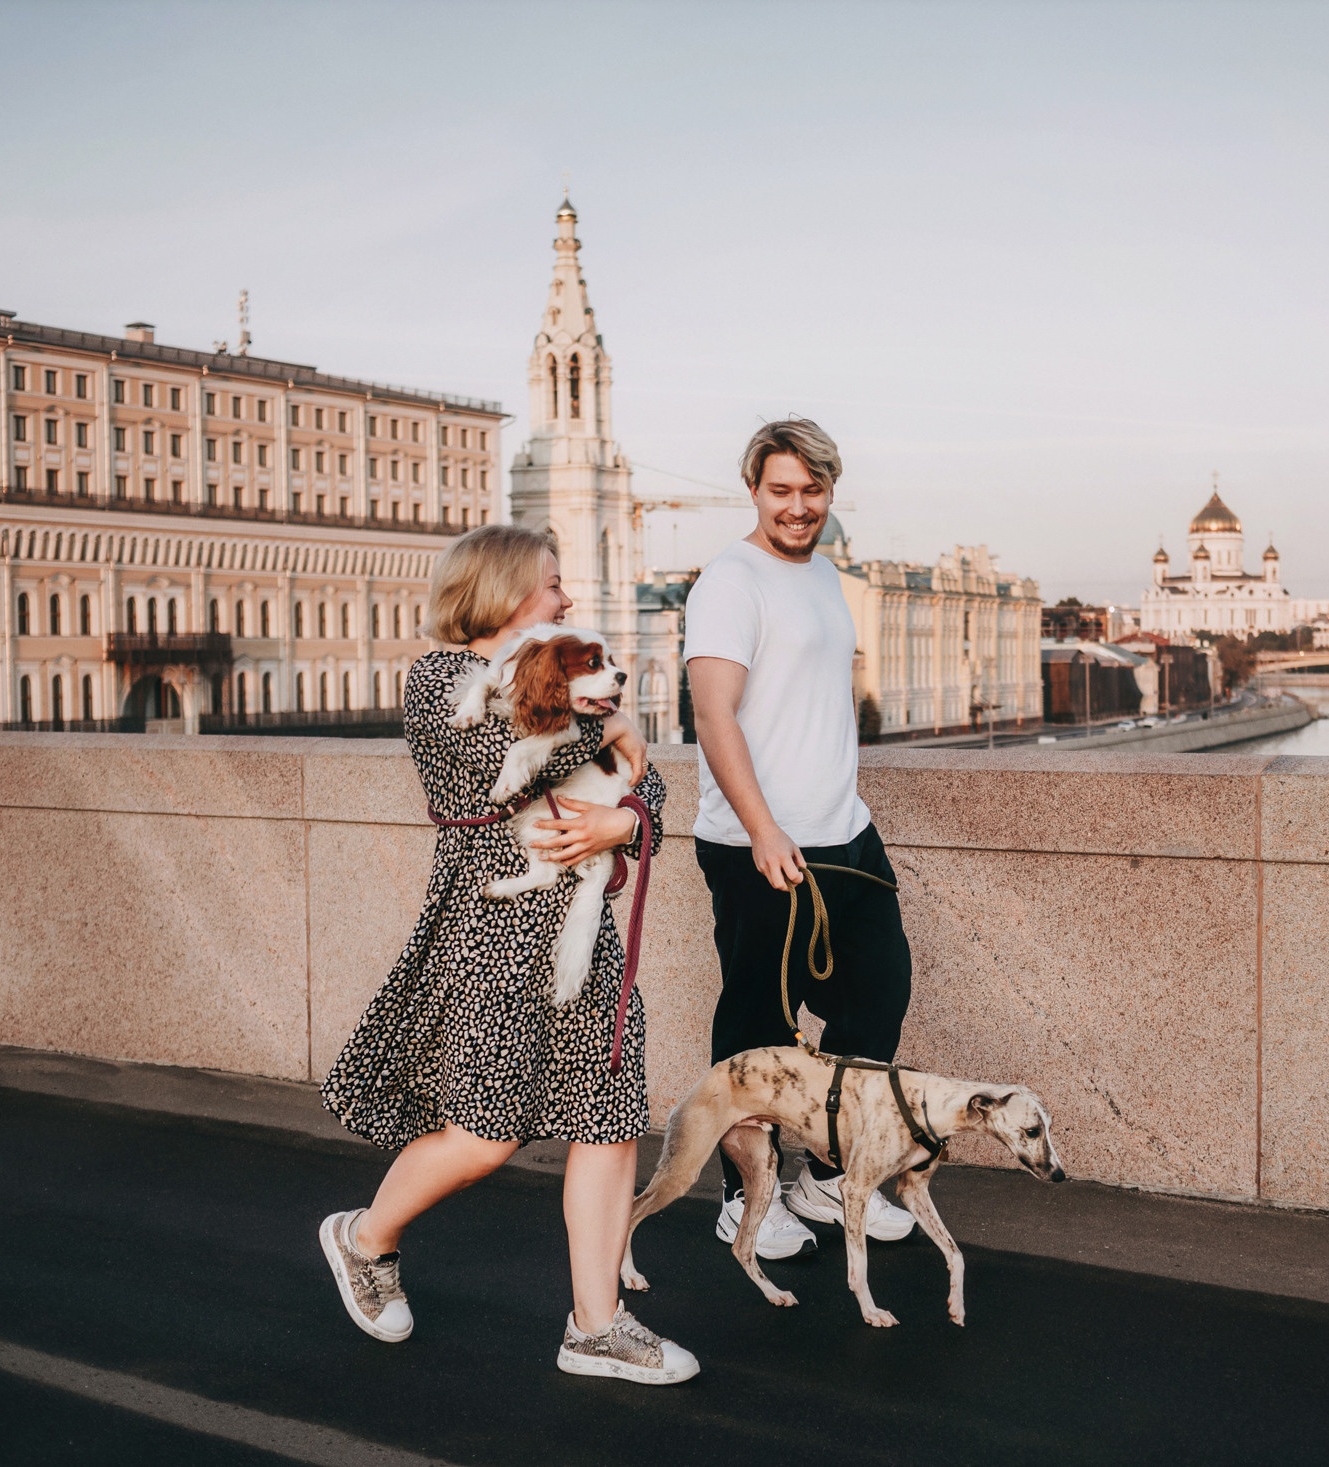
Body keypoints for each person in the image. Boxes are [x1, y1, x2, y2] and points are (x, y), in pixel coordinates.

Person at [317, 523, 696, 1386]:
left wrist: (625, 817)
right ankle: (364, 1237)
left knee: (608, 1115)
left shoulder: (566, 676)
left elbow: (650, 784)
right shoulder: (440, 678)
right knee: (485, 1130)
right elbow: (510, 754)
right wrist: (617, 726)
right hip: (490, 928)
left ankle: (596, 1326)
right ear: (502, 588)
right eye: (553, 583)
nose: (566, 598)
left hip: (580, 929)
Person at [684, 417, 919, 1260]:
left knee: (879, 991)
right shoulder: (729, 580)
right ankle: (742, 1195)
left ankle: (827, 1175)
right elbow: (714, 717)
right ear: (754, 489)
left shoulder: (824, 574)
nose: (797, 506)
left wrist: (836, 814)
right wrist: (762, 829)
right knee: (758, 1022)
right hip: (761, 843)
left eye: (812, 490)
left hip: (843, 831)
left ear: (829, 491)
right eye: (781, 490)